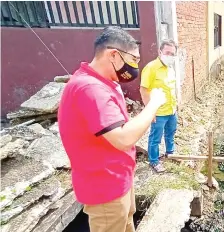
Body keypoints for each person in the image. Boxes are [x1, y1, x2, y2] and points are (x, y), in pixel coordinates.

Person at [58, 26, 166, 232]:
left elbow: (116, 125)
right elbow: (123, 137)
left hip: (118, 178)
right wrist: (154, 104)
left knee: (126, 224)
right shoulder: (90, 88)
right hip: (104, 186)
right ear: (113, 55)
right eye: (133, 59)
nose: (135, 66)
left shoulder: (104, 83)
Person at [139, 40, 179, 173]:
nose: (170, 56)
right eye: (167, 53)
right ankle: (154, 161)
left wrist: (176, 105)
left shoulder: (170, 69)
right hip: (159, 112)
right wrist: (150, 111)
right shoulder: (151, 68)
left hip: (171, 109)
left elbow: (172, 88)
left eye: (173, 54)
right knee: (155, 137)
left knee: (170, 134)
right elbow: (144, 90)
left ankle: (170, 153)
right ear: (160, 52)